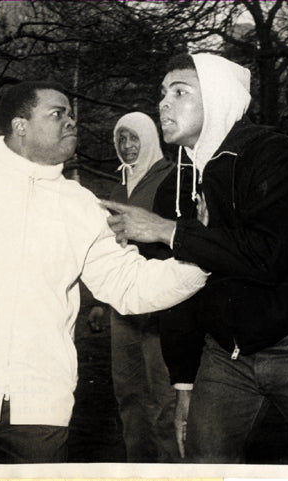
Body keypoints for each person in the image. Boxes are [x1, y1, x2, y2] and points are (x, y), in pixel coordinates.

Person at [0, 80, 208, 464]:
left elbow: (130, 285)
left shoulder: (81, 204)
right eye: (58, 114)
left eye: (72, 114)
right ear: (19, 125)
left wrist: (201, 257)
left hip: (40, 409)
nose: (71, 122)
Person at [102, 53, 288, 463]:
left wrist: (169, 231)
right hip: (225, 356)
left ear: (220, 98)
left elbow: (267, 257)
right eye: (162, 93)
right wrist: (185, 383)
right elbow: (175, 287)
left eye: (181, 91)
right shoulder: (176, 183)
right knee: (203, 465)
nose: (164, 103)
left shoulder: (273, 154)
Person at [102, 112, 181, 462]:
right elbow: (108, 250)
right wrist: (99, 303)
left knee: (165, 398)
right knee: (129, 394)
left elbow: (181, 239)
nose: (128, 147)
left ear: (149, 139)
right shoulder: (118, 188)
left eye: (134, 139)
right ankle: (139, 465)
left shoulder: (174, 179)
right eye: (122, 140)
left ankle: (171, 466)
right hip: (123, 309)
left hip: (161, 307)